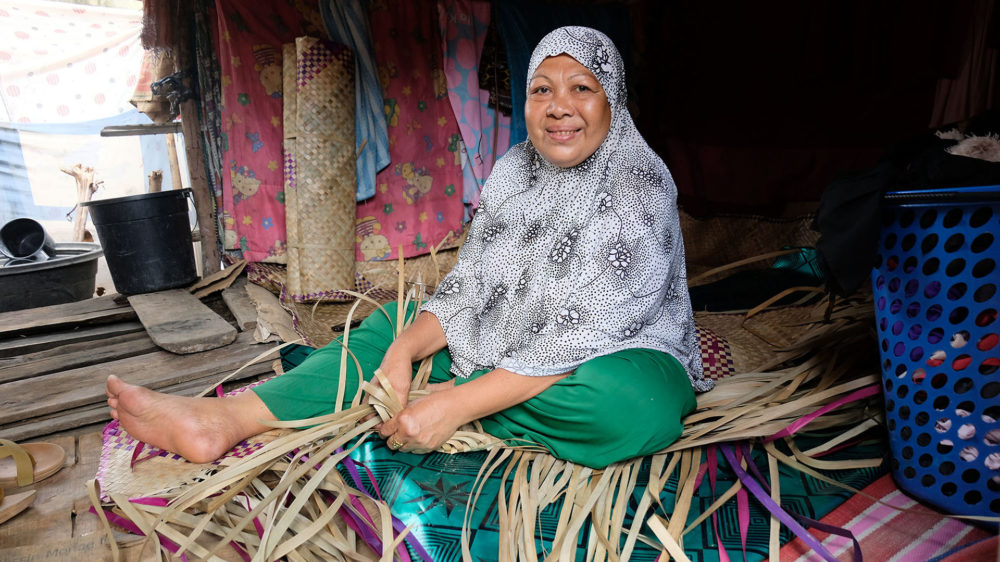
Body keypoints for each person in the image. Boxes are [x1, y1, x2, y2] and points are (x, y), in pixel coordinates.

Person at [106, 26, 714, 470]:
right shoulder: (512, 173)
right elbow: (471, 287)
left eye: (581, 88)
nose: (558, 108)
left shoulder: (639, 182)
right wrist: (400, 354)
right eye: (541, 89)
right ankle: (225, 420)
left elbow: (587, 332)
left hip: (617, 354)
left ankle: (444, 398)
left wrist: (457, 403)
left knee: (633, 409)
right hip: (506, 346)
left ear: (612, 97)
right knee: (387, 331)